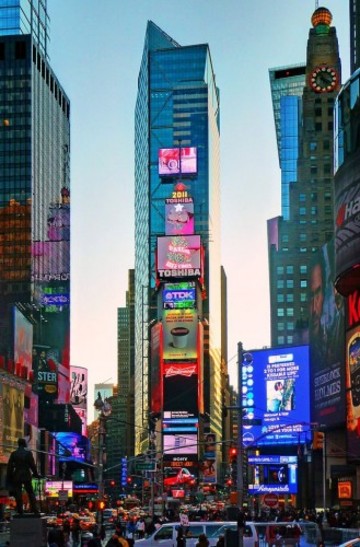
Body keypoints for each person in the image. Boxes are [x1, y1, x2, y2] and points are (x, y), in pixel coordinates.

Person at [6, 438, 40, 515]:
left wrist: (10, 476)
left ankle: (20, 510)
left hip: (17, 475)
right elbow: (32, 465)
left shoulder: (14, 454)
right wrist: (35, 474)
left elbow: (10, 467)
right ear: (24, 444)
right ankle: (34, 509)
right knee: (30, 492)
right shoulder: (28, 453)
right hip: (26, 474)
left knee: (18, 493)